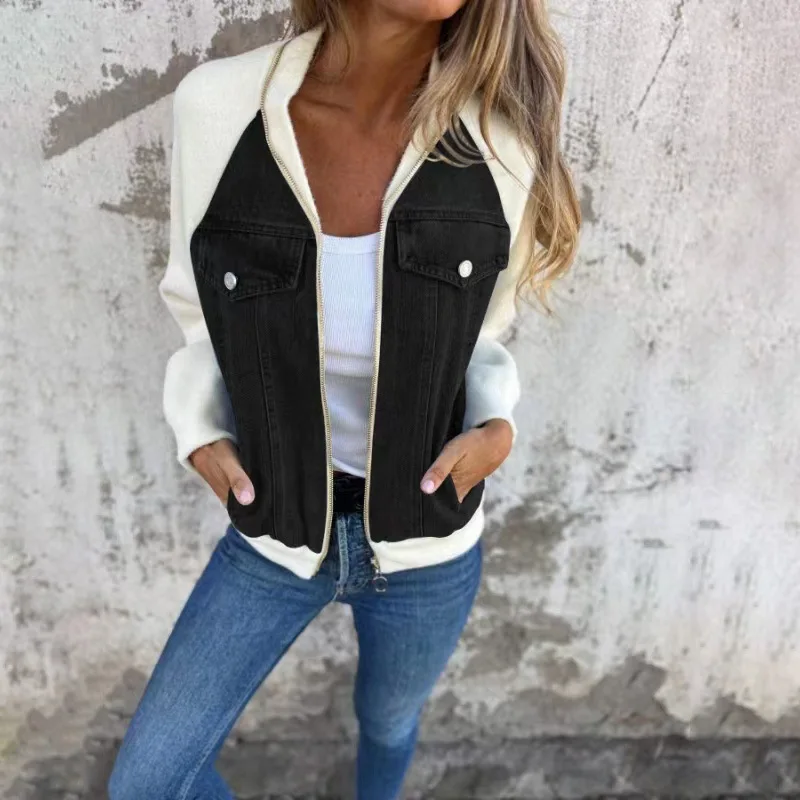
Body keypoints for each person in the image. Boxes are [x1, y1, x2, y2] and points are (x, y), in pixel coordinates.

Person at [108, 1, 579, 797]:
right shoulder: (220, 108)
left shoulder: (500, 145)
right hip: (277, 526)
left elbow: (484, 337)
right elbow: (197, 305)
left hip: (428, 540)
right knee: (147, 784)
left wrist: (496, 427)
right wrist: (198, 430)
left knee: (388, 723)